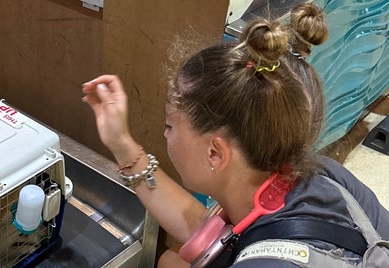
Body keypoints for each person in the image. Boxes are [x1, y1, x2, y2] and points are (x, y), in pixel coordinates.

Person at [80, 3, 389, 267]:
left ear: (215, 153)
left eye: (170, 126)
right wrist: (121, 142)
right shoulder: (322, 174)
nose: (164, 133)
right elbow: (206, 229)